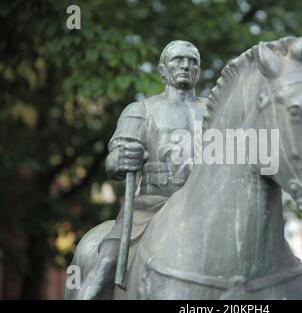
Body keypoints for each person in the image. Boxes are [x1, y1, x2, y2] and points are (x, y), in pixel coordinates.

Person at [76, 40, 206, 299]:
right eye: (178, 59)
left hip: (204, 206)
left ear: (198, 72)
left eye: (192, 61)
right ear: (162, 69)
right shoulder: (141, 110)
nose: (185, 65)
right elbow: (113, 162)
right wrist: (124, 158)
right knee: (105, 263)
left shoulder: (213, 110)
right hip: (150, 205)